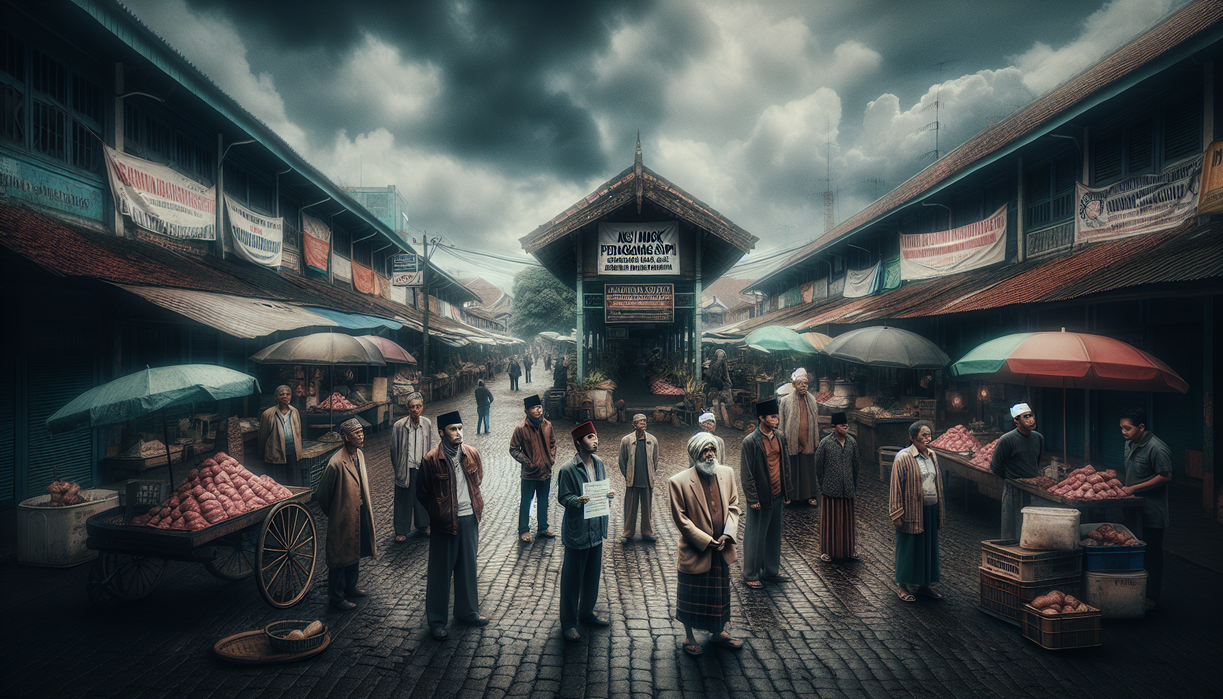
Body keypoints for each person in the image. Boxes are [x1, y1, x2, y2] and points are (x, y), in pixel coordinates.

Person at [670, 431, 743, 657]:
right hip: (696, 549)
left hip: (721, 547)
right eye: (705, 451)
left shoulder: (727, 473)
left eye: (712, 450)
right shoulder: (678, 481)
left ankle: (717, 633)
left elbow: (734, 506)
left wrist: (728, 534)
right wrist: (705, 540)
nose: (710, 454)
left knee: (719, 594)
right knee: (691, 594)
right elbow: (681, 519)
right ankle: (689, 637)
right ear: (695, 454)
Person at [417, 411, 489, 640]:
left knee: (468, 568)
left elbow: (477, 480)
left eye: (460, 428)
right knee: (440, 573)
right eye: (452, 429)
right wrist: (438, 513)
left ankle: (468, 613)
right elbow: (422, 493)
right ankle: (437, 621)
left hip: (469, 518)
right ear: (442, 432)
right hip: (444, 523)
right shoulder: (431, 460)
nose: (458, 433)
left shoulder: (472, 453)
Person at [556, 421, 614, 642]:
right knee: (571, 581)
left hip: (596, 529)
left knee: (592, 576)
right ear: (579, 443)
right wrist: (577, 500)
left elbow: (600, 489)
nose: (595, 440)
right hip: (577, 531)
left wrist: (607, 495)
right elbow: (563, 497)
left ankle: (587, 613)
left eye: (595, 436)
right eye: (590, 437)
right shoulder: (567, 469)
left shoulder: (599, 463)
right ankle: (569, 623)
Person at [316, 418, 378, 611]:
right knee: (339, 555)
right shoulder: (336, 463)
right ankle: (336, 597)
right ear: (346, 437)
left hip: (359, 510)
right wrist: (337, 513)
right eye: (357, 433)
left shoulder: (359, 454)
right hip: (343, 515)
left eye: (362, 432)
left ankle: (351, 587)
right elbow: (322, 495)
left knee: (355, 548)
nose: (361, 436)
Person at [1119, 407, 1171, 611]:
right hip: (1133, 510)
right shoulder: (1129, 443)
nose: (1123, 432)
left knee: (1152, 555)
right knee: (1134, 550)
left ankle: (1151, 597)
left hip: (1152, 511)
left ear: (1141, 427)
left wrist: (1134, 488)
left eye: (1127, 428)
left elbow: (1166, 476)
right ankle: (1134, 591)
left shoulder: (1157, 448)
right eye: (1121, 428)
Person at [740, 398, 793, 589]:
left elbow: (785, 465)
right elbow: (746, 473)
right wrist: (752, 498)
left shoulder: (780, 437)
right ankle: (750, 574)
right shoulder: (750, 441)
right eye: (772, 417)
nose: (776, 420)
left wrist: (787, 491)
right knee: (755, 536)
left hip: (777, 494)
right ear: (761, 418)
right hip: (760, 496)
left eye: (777, 417)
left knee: (773, 534)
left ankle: (770, 570)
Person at [890, 420, 945, 603]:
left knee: (927, 548)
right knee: (909, 548)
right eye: (924, 435)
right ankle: (902, 586)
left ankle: (924, 584)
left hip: (931, 508)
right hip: (911, 510)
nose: (928, 438)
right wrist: (897, 513)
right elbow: (896, 487)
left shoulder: (933, 455)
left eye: (929, 435)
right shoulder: (903, 457)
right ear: (913, 438)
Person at [990, 402, 1044, 539]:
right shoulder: (1006, 440)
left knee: (1033, 529)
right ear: (1016, 420)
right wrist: (1011, 479)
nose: (1031, 420)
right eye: (1025, 417)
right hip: (1013, 489)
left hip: (1033, 489)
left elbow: (1035, 462)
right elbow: (996, 466)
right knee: (1011, 528)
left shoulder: (1038, 438)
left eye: (1031, 416)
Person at [510, 394, 557, 542]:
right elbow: (513, 449)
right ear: (527, 411)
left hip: (545, 471)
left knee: (543, 500)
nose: (537, 410)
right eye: (534, 408)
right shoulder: (521, 428)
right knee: (526, 501)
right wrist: (527, 462)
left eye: (539, 407)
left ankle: (543, 527)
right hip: (529, 474)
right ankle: (523, 530)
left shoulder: (548, 425)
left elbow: (553, 444)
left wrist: (551, 459)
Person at [814, 412, 860, 562]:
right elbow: (818, 466)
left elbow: (856, 466)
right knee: (830, 522)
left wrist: (853, 485)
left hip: (848, 489)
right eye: (842, 426)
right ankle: (827, 551)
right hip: (830, 489)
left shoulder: (852, 443)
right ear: (834, 427)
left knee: (848, 522)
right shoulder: (825, 443)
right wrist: (823, 485)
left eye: (847, 426)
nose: (845, 428)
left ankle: (849, 550)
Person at [390, 393, 433, 542]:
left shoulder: (427, 423)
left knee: (423, 496)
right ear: (408, 409)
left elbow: (429, 444)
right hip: (405, 467)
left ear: (422, 407)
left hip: (422, 466)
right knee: (403, 498)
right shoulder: (399, 425)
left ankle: (424, 524)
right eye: (412, 407)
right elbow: (393, 449)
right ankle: (401, 530)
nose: (416, 409)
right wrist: (398, 468)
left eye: (418, 406)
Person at [779, 368, 820, 506]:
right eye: (800, 383)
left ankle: (810, 496)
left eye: (806, 383)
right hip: (792, 440)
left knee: (808, 468)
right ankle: (790, 496)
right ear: (794, 384)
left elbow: (815, 421)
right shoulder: (785, 401)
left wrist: (815, 440)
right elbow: (782, 423)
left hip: (808, 439)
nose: (803, 386)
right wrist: (782, 438)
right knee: (791, 468)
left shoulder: (812, 400)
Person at [618, 414, 660, 545]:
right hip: (633, 480)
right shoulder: (626, 440)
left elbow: (655, 460)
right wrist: (628, 475)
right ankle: (627, 533)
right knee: (630, 508)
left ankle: (647, 532)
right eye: (640, 422)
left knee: (647, 508)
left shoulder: (652, 440)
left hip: (646, 479)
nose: (643, 423)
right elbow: (622, 460)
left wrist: (650, 473)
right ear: (634, 424)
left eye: (645, 421)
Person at [258, 385, 303, 486]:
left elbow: (298, 432)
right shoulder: (268, 414)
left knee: (293, 481)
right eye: (281, 394)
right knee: (279, 483)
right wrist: (262, 452)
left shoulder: (295, 412)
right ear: (276, 397)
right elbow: (263, 436)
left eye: (287, 394)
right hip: (276, 453)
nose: (285, 396)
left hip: (292, 451)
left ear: (291, 396)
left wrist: (299, 450)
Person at [705, 349, 733, 428]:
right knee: (725, 404)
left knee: (717, 404)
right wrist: (729, 382)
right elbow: (725, 375)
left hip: (715, 386)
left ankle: (719, 419)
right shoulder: (721, 364)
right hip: (721, 386)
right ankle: (726, 422)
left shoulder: (712, 366)